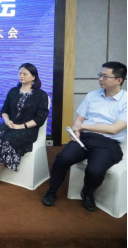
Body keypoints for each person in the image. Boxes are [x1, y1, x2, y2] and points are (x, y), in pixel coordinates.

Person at [43, 61, 127, 211]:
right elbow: (79, 119)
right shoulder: (92, 95)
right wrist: (76, 130)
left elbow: (114, 129)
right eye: (100, 75)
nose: (100, 79)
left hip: (108, 143)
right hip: (85, 137)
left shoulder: (125, 101)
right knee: (63, 158)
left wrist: (82, 127)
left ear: (119, 80)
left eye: (105, 76)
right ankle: (51, 191)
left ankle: (87, 193)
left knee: (94, 171)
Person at [0, 63, 49, 187]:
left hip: (28, 129)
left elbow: (40, 119)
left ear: (33, 77)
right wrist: (7, 121)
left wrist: (21, 126)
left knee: (7, 140)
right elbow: (4, 110)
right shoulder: (13, 91)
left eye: (25, 74)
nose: (21, 76)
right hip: (10, 124)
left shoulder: (41, 95)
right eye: (20, 73)